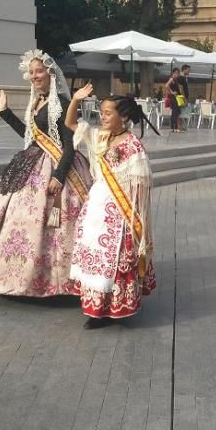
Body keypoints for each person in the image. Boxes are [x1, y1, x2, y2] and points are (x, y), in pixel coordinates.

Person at [0, 50, 91, 297]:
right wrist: (5, 113)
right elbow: (31, 137)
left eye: (39, 71)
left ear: (50, 73)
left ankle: (57, 281)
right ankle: (15, 276)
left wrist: (58, 176)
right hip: (34, 162)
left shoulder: (64, 105)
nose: (34, 76)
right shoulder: (37, 102)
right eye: (32, 72)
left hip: (57, 167)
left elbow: (69, 145)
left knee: (55, 228)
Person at [65, 85, 159, 325]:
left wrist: (135, 221)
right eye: (101, 112)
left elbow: (140, 188)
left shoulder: (133, 147)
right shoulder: (101, 137)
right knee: (94, 253)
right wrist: (75, 99)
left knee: (114, 258)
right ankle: (95, 307)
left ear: (123, 116)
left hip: (119, 210)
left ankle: (113, 308)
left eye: (108, 113)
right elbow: (71, 124)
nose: (102, 117)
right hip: (97, 203)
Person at [165, 67, 183, 133]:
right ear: (174, 73)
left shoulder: (175, 80)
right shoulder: (172, 78)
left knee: (176, 112)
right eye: (177, 73)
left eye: (178, 73)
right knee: (175, 112)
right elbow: (166, 85)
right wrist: (172, 92)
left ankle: (174, 127)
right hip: (174, 98)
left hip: (177, 97)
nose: (178, 75)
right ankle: (175, 127)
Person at [178, 64, 192, 130]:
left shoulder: (184, 77)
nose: (189, 72)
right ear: (184, 69)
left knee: (182, 112)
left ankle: (181, 126)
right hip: (181, 97)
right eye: (188, 70)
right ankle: (179, 126)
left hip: (183, 96)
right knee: (180, 112)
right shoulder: (181, 77)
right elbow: (181, 88)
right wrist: (184, 98)